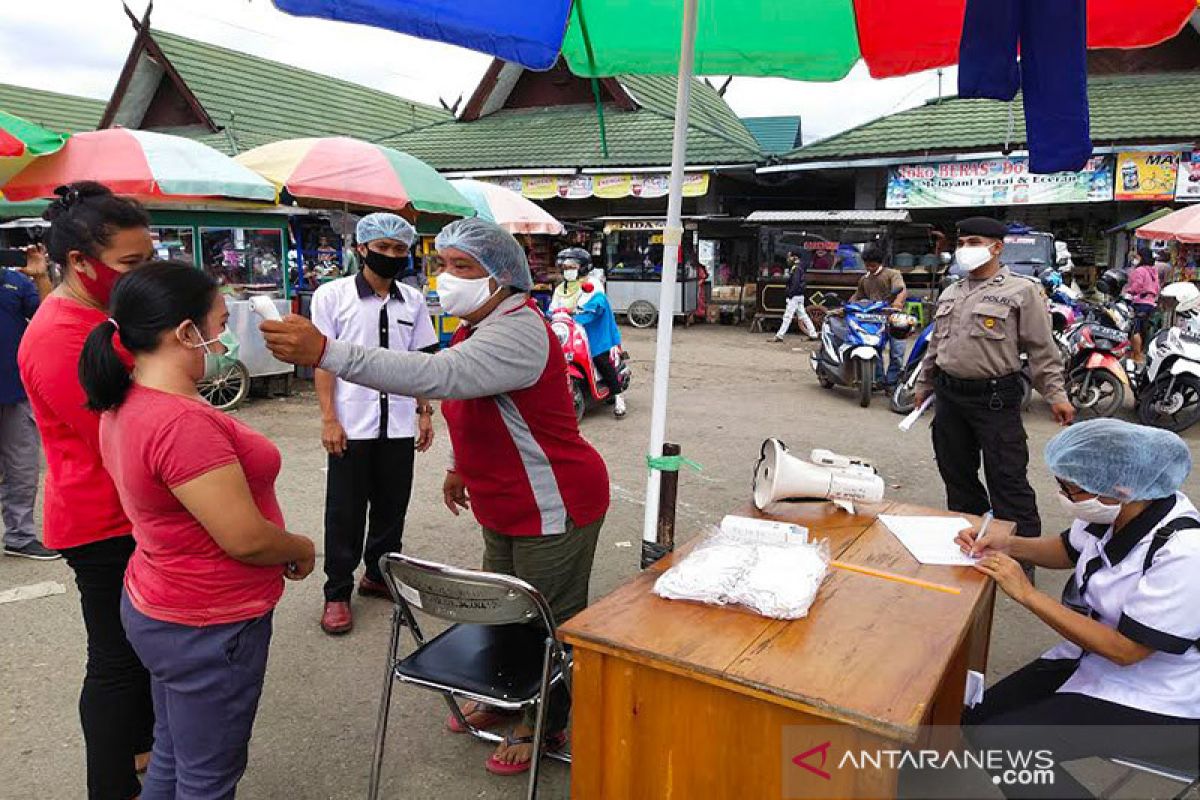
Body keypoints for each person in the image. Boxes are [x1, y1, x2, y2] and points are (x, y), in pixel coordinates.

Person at [260, 217, 609, 777]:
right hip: (502, 498)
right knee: (509, 612)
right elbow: (473, 405)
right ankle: (506, 696)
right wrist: (457, 466)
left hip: (555, 500)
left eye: (462, 268)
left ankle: (544, 719)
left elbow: (439, 376)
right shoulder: (477, 324)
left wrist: (326, 350)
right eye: (442, 265)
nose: (445, 279)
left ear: (502, 278)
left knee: (549, 621)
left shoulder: (517, 328)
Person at [79, 261, 316, 798]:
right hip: (209, 622)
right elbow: (246, 539)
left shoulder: (129, 399)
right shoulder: (182, 425)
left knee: (171, 749)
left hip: (161, 603)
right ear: (186, 332)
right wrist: (300, 547)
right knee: (208, 778)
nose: (225, 334)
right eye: (218, 322)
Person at [956, 419, 1200, 798]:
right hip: (1094, 656)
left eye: (1073, 488)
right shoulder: (1115, 511)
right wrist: (1004, 545)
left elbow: (1126, 651)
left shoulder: (1183, 551)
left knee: (1005, 746)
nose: (1065, 495)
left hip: (1164, 698)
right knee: (974, 719)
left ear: (1120, 488)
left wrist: (1028, 594)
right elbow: (1067, 549)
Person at [17, 182, 156, 800]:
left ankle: (145, 751)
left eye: (148, 258)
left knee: (141, 653)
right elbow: (120, 430)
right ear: (79, 263)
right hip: (102, 522)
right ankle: (111, 784)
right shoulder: (58, 334)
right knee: (116, 661)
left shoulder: (101, 316)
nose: (142, 272)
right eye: (131, 264)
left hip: (130, 512)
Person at [310, 213, 438, 635]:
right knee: (344, 512)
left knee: (391, 507)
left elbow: (420, 362)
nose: (391, 256)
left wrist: (424, 412)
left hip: (398, 423)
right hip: (352, 423)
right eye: (382, 248)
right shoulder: (332, 296)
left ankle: (378, 576)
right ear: (362, 249)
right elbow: (323, 362)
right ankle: (336, 593)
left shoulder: (413, 301)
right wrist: (329, 419)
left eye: (399, 249)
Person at [915, 216, 1073, 547]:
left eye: (973, 243)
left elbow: (1042, 348)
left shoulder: (1021, 290)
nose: (964, 250)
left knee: (1007, 480)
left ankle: (1023, 553)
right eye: (961, 243)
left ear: (996, 247)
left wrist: (1056, 395)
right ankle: (972, 542)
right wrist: (924, 384)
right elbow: (936, 345)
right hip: (950, 397)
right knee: (957, 477)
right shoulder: (950, 292)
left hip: (995, 399)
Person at [1, 246, 58, 560]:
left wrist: (41, 277)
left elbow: (50, 318)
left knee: (21, 469)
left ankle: (20, 537)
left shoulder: (17, 282)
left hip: (15, 393)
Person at [569, 260, 627, 419]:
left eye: (571, 268)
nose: (568, 271)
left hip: (597, 335)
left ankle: (618, 397)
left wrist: (577, 315)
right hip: (574, 333)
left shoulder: (593, 284)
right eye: (566, 268)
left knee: (601, 362)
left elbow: (597, 306)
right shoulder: (566, 287)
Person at [848, 244, 908, 387]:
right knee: (875, 349)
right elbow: (858, 296)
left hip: (894, 318)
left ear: (880, 263)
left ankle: (892, 383)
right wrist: (847, 307)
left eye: (872, 266)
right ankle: (878, 380)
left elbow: (902, 290)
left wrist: (897, 305)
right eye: (867, 265)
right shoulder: (864, 279)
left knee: (897, 353)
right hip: (874, 319)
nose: (869, 268)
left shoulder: (893, 274)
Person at [1124, 247, 1160, 365]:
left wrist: (1127, 291)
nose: (1135, 259)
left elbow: (1136, 286)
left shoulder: (1140, 270)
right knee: (1143, 329)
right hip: (1150, 303)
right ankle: (1137, 354)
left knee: (1135, 329)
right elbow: (1157, 287)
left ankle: (1137, 355)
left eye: (1137, 257)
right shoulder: (1153, 271)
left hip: (1140, 302)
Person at [771, 252, 818, 342]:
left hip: (795, 296)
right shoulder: (800, 267)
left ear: (794, 257)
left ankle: (779, 335)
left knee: (787, 316)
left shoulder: (796, 268)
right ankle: (813, 334)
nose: (788, 259)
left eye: (790, 257)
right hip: (799, 295)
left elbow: (795, 283)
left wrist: (790, 294)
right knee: (803, 316)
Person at [551, 248, 588, 312]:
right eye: (565, 268)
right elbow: (552, 308)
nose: (568, 271)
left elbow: (586, 309)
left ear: (582, 268)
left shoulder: (590, 284)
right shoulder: (560, 288)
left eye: (572, 267)